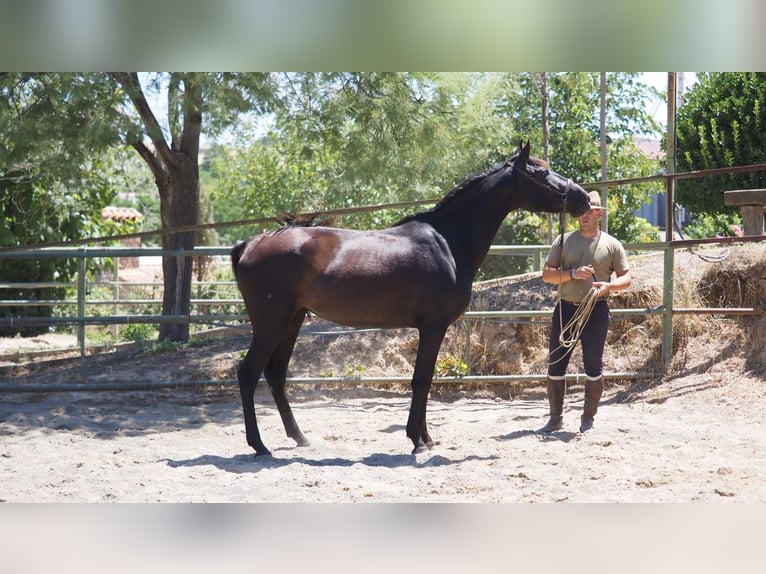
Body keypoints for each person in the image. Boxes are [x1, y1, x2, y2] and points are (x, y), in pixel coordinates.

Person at [539, 190, 632, 433]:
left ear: (599, 214)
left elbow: (627, 277)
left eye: (590, 211)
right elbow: (547, 275)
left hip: (596, 310)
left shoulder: (612, 245)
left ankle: (588, 419)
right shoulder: (563, 241)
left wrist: (609, 286)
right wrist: (571, 274)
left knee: (593, 365)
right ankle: (555, 418)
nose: (585, 216)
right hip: (565, 310)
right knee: (556, 364)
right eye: (581, 211)